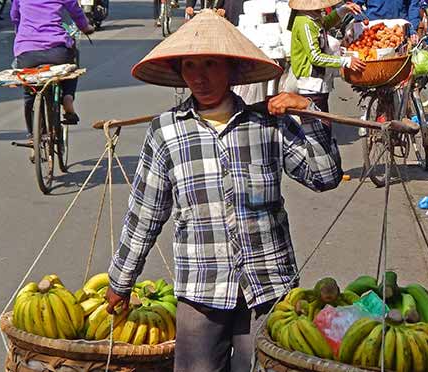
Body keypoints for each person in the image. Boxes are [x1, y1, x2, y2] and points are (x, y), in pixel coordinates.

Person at [104, 10, 343, 372]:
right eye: (190, 66)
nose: (199, 77)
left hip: (269, 288)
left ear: (232, 69)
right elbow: (145, 215)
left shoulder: (267, 124)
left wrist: (309, 114)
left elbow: (324, 177)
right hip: (201, 291)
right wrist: (121, 281)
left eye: (211, 64)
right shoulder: (166, 133)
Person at [11, 0, 94, 137]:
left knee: (29, 90)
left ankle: (33, 134)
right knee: (72, 64)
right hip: (57, 52)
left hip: (27, 53)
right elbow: (76, 12)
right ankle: (68, 96)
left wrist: (20, 33)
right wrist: (85, 28)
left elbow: (14, 16)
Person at [289, 0, 366, 112]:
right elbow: (315, 57)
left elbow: (326, 23)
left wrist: (344, 9)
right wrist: (346, 61)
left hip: (320, 83)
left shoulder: (314, 17)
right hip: (311, 86)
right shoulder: (305, 23)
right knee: (319, 125)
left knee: (324, 124)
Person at [354, 0, 423, 31]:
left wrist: (412, 28)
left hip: (401, 30)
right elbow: (355, 6)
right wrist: (364, 22)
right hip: (375, 30)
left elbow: (413, 5)